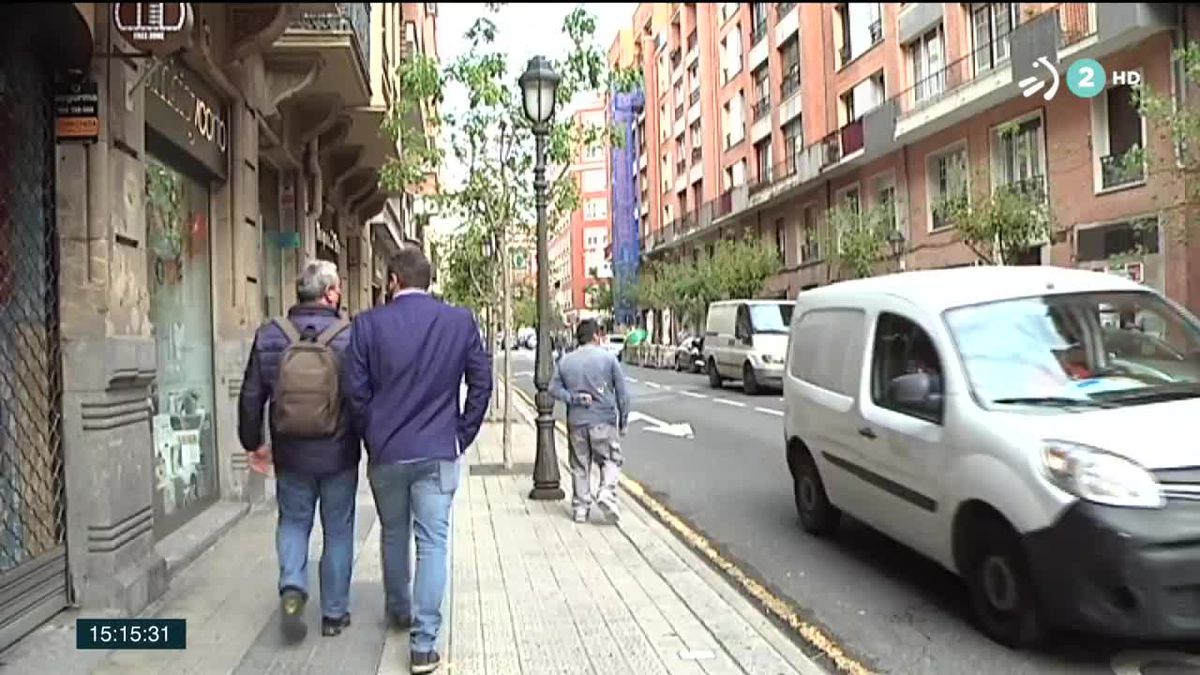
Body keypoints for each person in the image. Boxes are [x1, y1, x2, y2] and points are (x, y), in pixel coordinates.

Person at [345, 246, 492, 675]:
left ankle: (398, 610)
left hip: (388, 453)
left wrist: (372, 434)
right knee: (433, 543)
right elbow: (481, 385)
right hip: (437, 450)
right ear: (428, 280)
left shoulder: (367, 325)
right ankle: (424, 646)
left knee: (393, 533)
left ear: (393, 280)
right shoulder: (459, 321)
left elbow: (355, 393)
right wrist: (460, 434)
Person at [237, 260, 360, 643]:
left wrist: (252, 442)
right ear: (330, 293)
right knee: (338, 530)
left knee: (293, 522)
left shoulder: (270, 335)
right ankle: (334, 615)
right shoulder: (349, 336)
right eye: (337, 287)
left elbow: (252, 395)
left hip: (290, 452)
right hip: (339, 453)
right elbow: (361, 396)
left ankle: (293, 587)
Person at [550, 319, 631, 524]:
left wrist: (573, 398)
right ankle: (606, 491)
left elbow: (553, 389)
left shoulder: (565, 361)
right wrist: (623, 420)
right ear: (596, 336)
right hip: (603, 419)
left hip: (576, 421)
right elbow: (623, 395)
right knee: (611, 459)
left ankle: (580, 508)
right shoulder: (608, 359)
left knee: (579, 464)